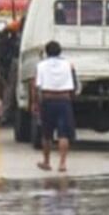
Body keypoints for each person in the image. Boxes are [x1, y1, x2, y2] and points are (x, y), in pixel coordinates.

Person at [32, 40, 78, 172]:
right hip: (64, 101)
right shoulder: (69, 65)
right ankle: (62, 164)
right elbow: (74, 85)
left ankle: (46, 162)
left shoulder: (41, 65)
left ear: (46, 52)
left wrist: (35, 102)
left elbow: (36, 86)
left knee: (47, 134)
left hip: (48, 100)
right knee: (64, 134)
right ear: (60, 51)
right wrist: (72, 98)